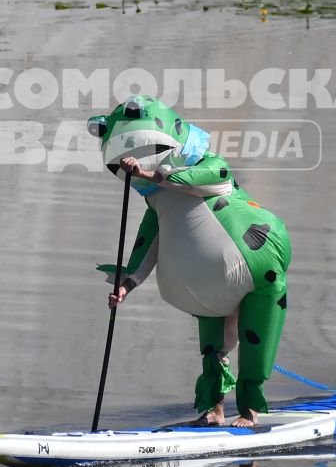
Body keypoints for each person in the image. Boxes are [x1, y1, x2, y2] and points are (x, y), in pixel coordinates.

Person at [88, 95, 291, 427]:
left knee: (254, 344)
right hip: (208, 284)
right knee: (212, 349)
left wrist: (152, 173)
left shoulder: (210, 165)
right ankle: (214, 409)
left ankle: (250, 411)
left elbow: (205, 178)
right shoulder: (157, 202)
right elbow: (146, 245)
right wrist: (126, 286)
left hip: (258, 270)